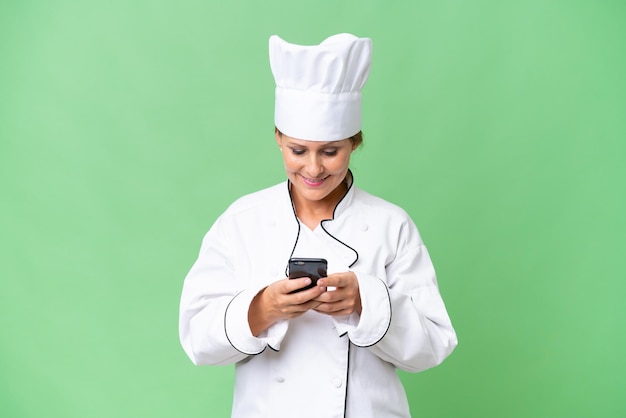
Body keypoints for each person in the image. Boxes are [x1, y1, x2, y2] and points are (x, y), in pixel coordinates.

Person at [179, 33, 457, 418]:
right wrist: (264, 308)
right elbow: (196, 338)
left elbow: (433, 346)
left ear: (354, 143)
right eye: (298, 150)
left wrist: (365, 302)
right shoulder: (242, 222)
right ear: (278, 138)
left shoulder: (390, 225)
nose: (312, 168)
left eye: (330, 151)